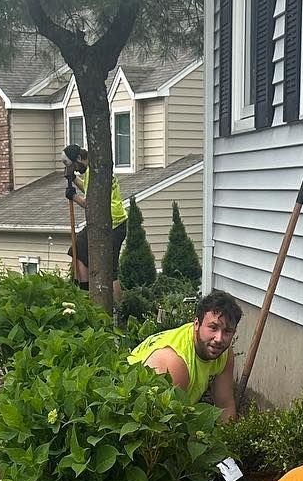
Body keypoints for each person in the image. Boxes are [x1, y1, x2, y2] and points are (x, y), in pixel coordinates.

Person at [127, 290, 241, 422]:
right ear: (197, 324)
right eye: (213, 328)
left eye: (227, 331)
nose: (219, 338)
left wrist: (229, 439)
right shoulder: (177, 361)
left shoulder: (225, 353)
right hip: (131, 410)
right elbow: (167, 424)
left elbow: (225, 406)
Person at [63, 143, 126, 300]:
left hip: (111, 223)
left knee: (110, 270)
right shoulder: (97, 168)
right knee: (77, 248)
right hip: (111, 221)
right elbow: (90, 189)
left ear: (79, 158)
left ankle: (117, 308)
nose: (76, 169)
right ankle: (86, 292)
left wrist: (73, 197)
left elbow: (90, 204)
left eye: (75, 166)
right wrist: (74, 179)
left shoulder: (93, 172)